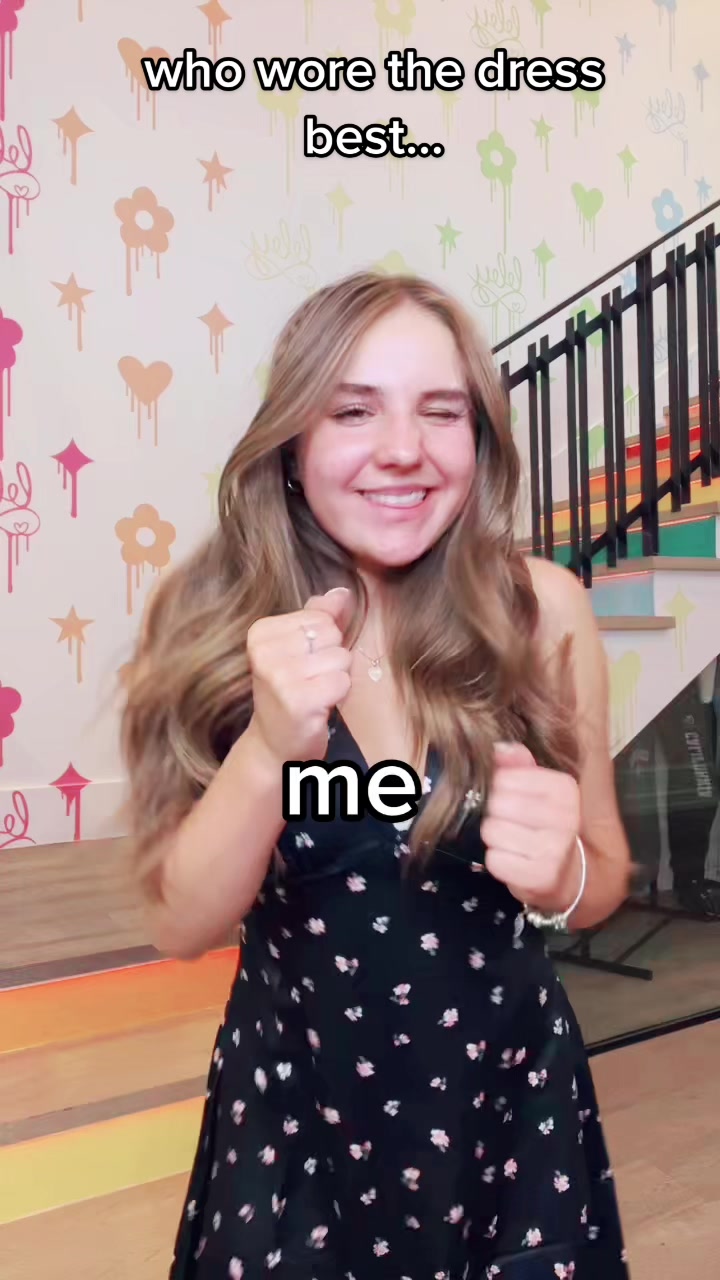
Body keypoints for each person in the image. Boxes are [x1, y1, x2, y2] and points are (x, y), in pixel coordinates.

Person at [120, 272, 632, 1279]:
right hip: (299, 1117)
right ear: (291, 442)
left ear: (478, 440)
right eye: (354, 410)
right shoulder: (209, 622)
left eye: (441, 411)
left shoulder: (542, 611)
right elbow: (178, 924)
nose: (404, 448)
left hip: (509, 1115)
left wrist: (565, 873)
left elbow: (606, 875)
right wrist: (268, 751)